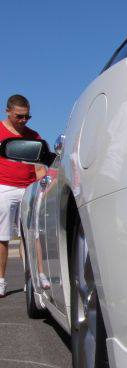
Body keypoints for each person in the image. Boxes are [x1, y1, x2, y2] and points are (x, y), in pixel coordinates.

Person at [0, 94, 44, 298]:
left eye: (27, 116)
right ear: (7, 111)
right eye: (19, 116)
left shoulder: (34, 136)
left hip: (28, 189)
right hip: (4, 187)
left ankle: (32, 279)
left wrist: (41, 185)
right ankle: (1, 281)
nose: (23, 120)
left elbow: (40, 167)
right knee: (2, 237)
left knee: (31, 236)